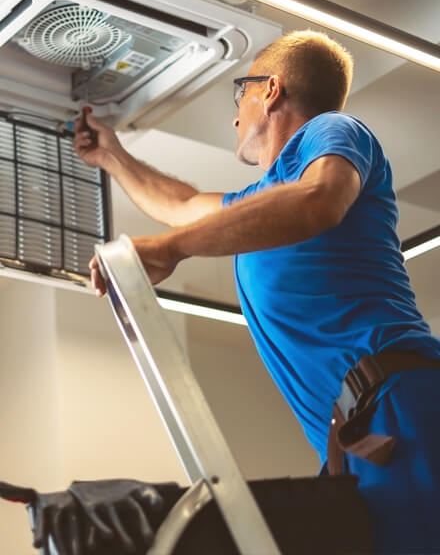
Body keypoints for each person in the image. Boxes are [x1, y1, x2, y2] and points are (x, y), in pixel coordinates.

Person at [75, 30, 440, 554]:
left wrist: (174, 248)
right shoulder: (263, 200)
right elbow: (180, 203)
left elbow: (320, 200)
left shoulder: (334, 131)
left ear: (270, 89)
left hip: (398, 406)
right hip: (357, 436)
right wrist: (113, 157)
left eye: (238, 96)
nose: (233, 117)